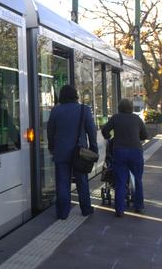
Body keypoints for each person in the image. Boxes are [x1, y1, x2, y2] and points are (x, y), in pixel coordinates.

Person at [47, 85, 98, 219]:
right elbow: (91, 131)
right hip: (80, 153)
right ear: (76, 96)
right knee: (82, 181)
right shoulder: (84, 110)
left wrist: (52, 147)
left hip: (61, 152)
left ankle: (63, 213)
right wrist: (94, 148)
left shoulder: (56, 111)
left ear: (62, 96)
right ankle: (86, 209)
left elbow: (50, 132)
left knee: (63, 183)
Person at [102, 98, 148, 217]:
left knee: (120, 181)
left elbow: (105, 130)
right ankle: (139, 206)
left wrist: (109, 138)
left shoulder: (116, 118)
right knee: (137, 179)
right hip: (135, 152)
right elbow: (145, 135)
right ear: (131, 108)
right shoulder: (137, 119)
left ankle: (119, 210)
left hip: (120, 152)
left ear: (119, 108)